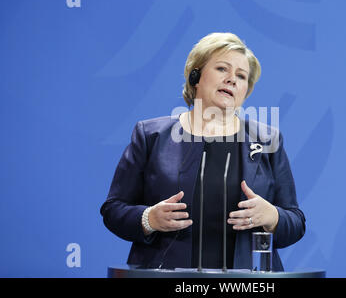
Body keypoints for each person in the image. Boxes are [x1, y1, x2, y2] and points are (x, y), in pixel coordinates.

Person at [100, 32, 306, 271]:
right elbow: (113, 209)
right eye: (222, 69)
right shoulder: (150, 135)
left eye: (241, 76)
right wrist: (149, 219)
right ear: (195, 76)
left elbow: (296, 222)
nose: (232, 80)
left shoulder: (268, 140)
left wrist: (272, 216)